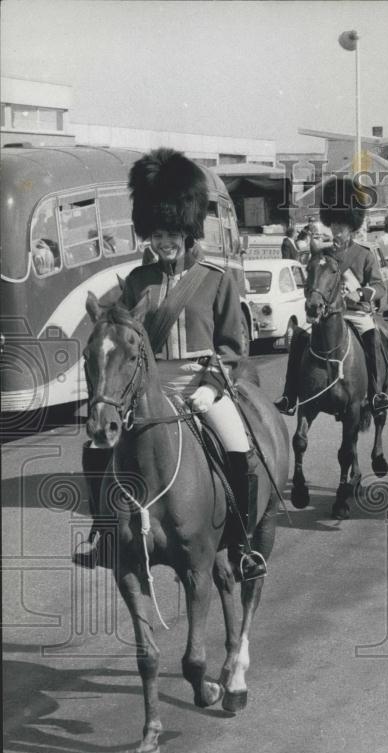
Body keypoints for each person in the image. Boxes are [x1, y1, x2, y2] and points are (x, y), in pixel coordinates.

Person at [75, 148, 260, 576]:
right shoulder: (136, 281)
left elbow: (232, 347)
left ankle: (243, 543)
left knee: (240, 448)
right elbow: (118, 336)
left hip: (201, 385)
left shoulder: (216, 280)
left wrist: (211, 388)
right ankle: (103, 535)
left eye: (172, 233)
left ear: (188, 231)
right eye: (156, 234)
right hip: (148, 389)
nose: (164, 242)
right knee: (96, 447)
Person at [273, 177, 388, 417]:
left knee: (372, 337)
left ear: (352, 227)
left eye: (341, 226)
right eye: (334, 225)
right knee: (299, 338)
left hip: (355, 313)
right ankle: (289, 396)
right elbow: (313, 282)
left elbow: (379, 286)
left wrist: (361, 293)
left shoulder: (364, 254)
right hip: (325, 315)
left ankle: (375, 393)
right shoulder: (323, 255)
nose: (336, 231)